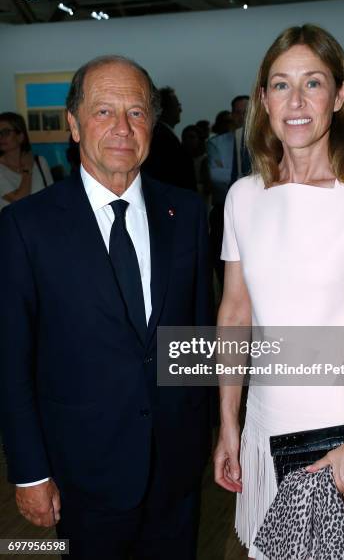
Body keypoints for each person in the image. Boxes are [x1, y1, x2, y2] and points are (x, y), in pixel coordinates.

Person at [0, 55, 213, 560]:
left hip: (177, 467)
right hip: (82, 472)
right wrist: (31, 471)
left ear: (153, 125)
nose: (122, 127)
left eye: (137, 112)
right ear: (73, 124)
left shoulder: (185, 213)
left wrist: (214, 433)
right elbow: (11, 361)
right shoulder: (26, 227)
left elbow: (200, 333)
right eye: (103, 112)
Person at [213, 24, 344, 560]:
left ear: (340, 96)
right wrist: (228, 421)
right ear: (263, 100)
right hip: (264, 427)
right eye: (280, 85)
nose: (295, 102)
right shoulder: (243, 198)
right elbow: (234, 313)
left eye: (313, 83)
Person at [207, 95, 250, 288]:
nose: (243, 117)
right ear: (232, 115)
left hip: (255, 214)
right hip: (223, 212)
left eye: (247, 112)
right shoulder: (217, 143)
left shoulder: (266, 144)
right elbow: (218, 177)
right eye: (239, 112)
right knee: (225, 268)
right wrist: (251, 180)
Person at [142, 86, 196, 190]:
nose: (180, 110)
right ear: (164, 109)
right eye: (177, 105)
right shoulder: (161, 138)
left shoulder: (163, 135)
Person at [0, 111, 53, 210]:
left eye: (6, 132)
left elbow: (51, 197)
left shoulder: (40, 162)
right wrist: (27, 170)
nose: (1, 137)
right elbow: (20, 201)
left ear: (20, 136)